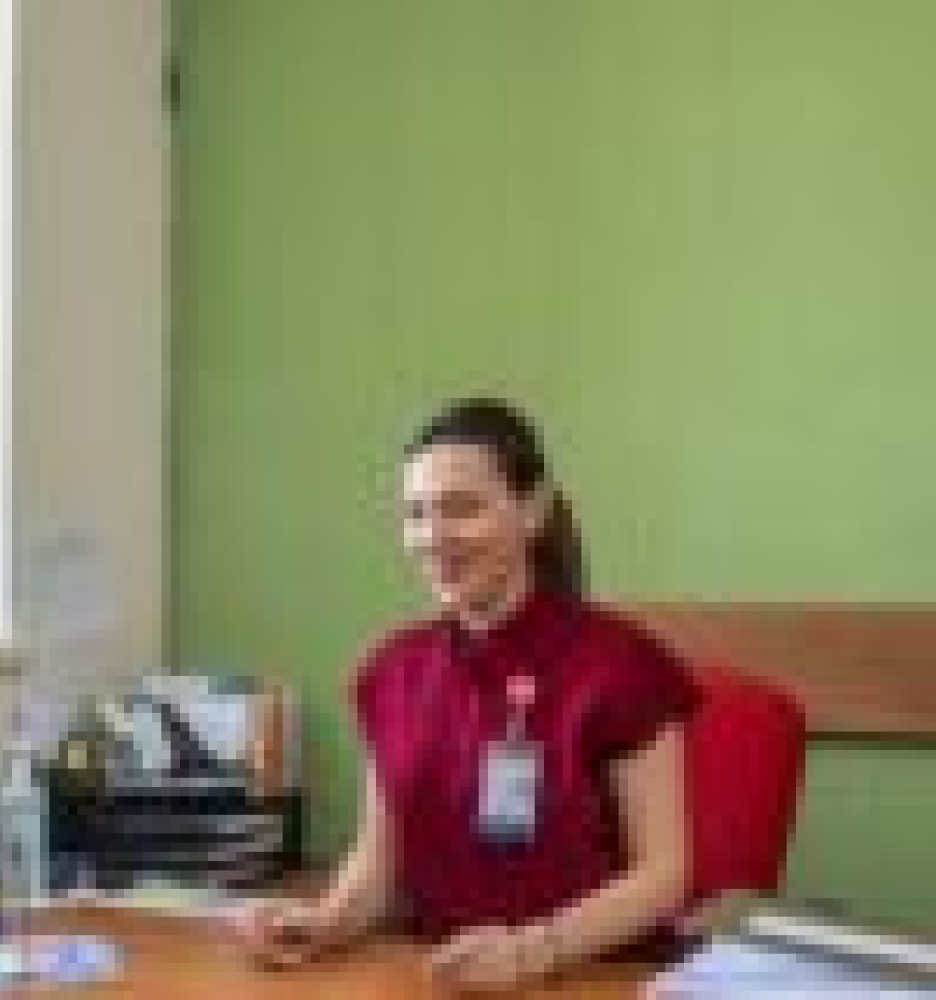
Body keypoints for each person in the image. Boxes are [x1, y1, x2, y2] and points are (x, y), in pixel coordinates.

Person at [235, 399, 697, 993]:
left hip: (596, 977)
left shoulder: (621, 663)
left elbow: (665, 874)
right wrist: (324, 921)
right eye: (416, 514)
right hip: (446, 979)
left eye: (462, 509)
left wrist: (533, 950)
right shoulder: (392, 671)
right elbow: (377, 865)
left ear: (533, 510)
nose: (433, 538)